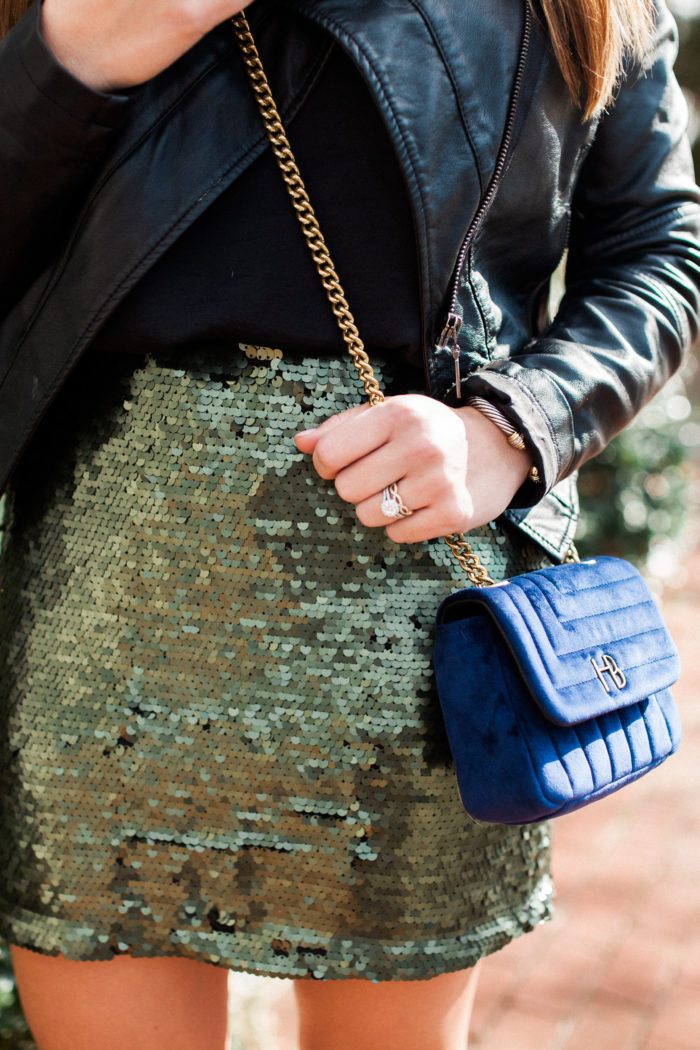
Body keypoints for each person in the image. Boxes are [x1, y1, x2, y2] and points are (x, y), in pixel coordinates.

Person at [0, 0, 698, 1048]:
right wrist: (70, 57)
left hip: (410, 636)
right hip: (97, 613)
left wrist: (513, 429)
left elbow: (658, 252)